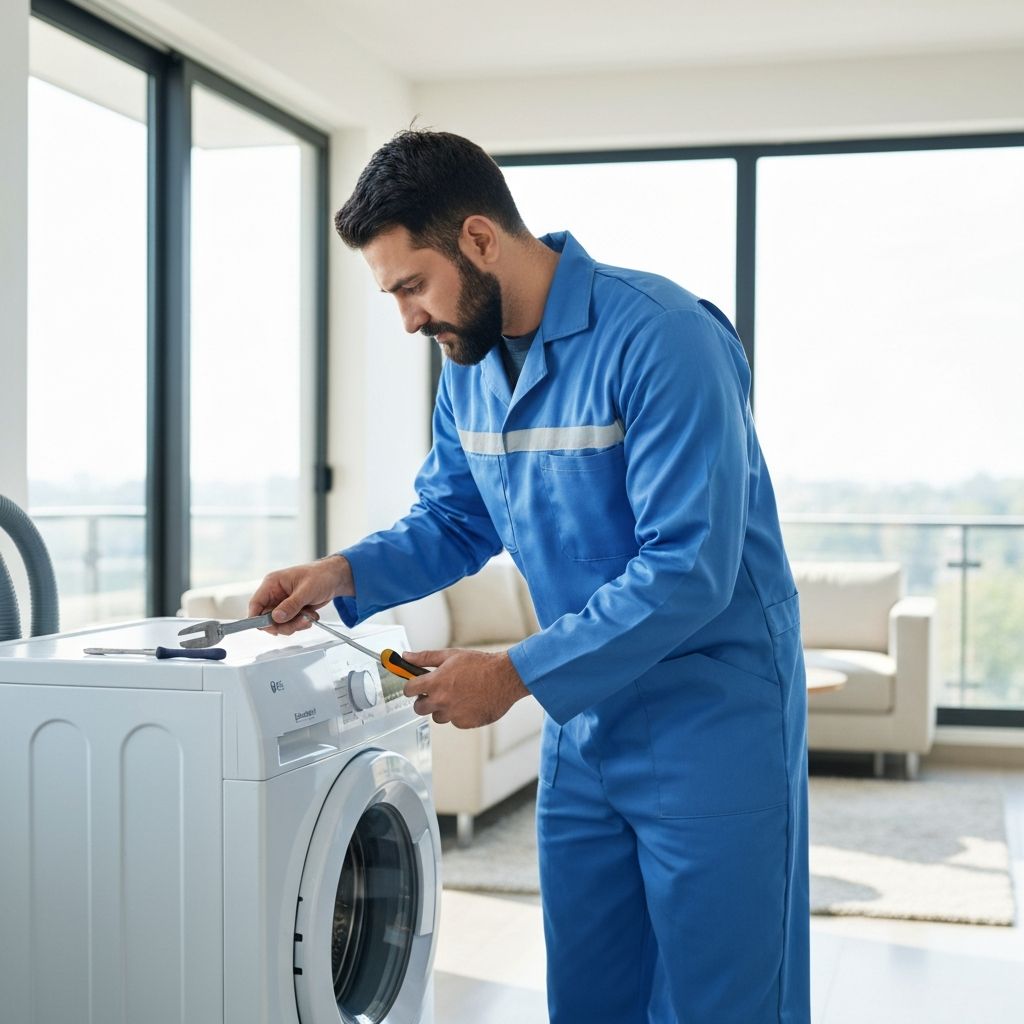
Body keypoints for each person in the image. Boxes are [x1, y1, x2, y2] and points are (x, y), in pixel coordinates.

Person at [248, 129, 810, 1024]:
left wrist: (511, 674)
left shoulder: (664, 338)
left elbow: (688, 566)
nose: (407, 320)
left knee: (723, 1000)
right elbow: (453, 519)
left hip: (712, 717)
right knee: (591, 993)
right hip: (582, 718)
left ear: (479, 239)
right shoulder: (467, 369)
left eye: (411, 286)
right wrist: (341, 573)